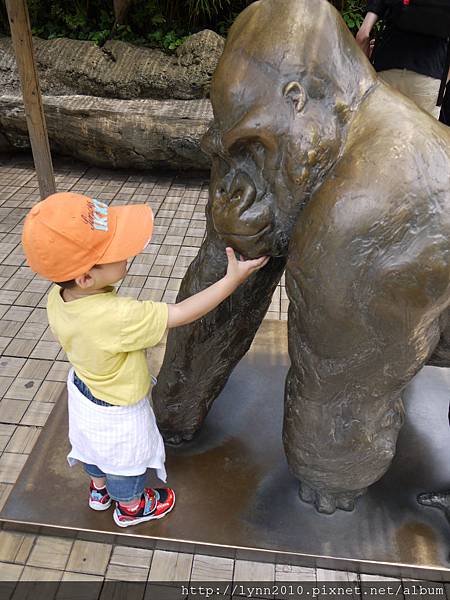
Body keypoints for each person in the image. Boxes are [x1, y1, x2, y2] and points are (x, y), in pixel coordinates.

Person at [21, 192, 268, 528]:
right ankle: (131, 506)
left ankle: (98, 490)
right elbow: (181, 313)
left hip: (83, 388)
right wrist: (232, 279)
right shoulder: (118, 317)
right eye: (116, 252)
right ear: (85, 278)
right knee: (126, 458)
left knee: (92, 446)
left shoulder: (58, 296)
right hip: (118, 406)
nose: (129, 253)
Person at [356, 0, 449, 118]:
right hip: (428, 77)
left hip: (386, 73)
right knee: (420, 135)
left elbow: (362, 36)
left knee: (378, 134)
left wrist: (364, 76)